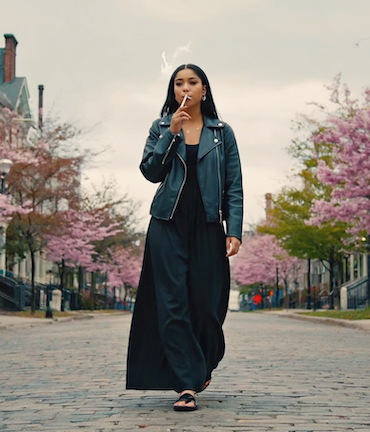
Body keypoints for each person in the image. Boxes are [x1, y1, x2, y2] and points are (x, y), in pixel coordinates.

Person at [126, 64, 244, 412]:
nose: (185, 88)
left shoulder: (223, 132)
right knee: (173, 304)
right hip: (167, 223)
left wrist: (233, 229)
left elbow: (234, 185)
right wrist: (170, 134)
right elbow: (150, 172)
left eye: (192, 82)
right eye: (179, 83)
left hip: (208, 225)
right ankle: (187, 384)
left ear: (204, 90)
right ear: (173, 91)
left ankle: (201, 364)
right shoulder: (161, 127)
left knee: (208, 307)